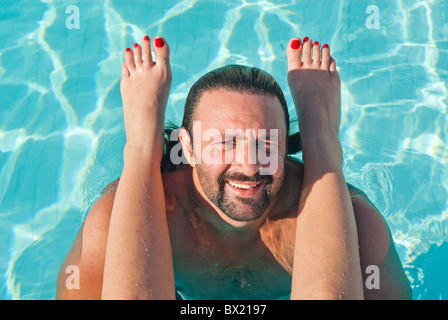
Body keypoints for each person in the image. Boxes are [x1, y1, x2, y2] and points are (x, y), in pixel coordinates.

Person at [56, 36, 412, 300]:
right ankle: (141, 144)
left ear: (287, 150)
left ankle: (321, 138)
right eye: (223, 142)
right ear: (188, 149)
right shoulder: (120, 221)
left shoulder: (355, 225)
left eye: (266, 143)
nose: (248, 164)